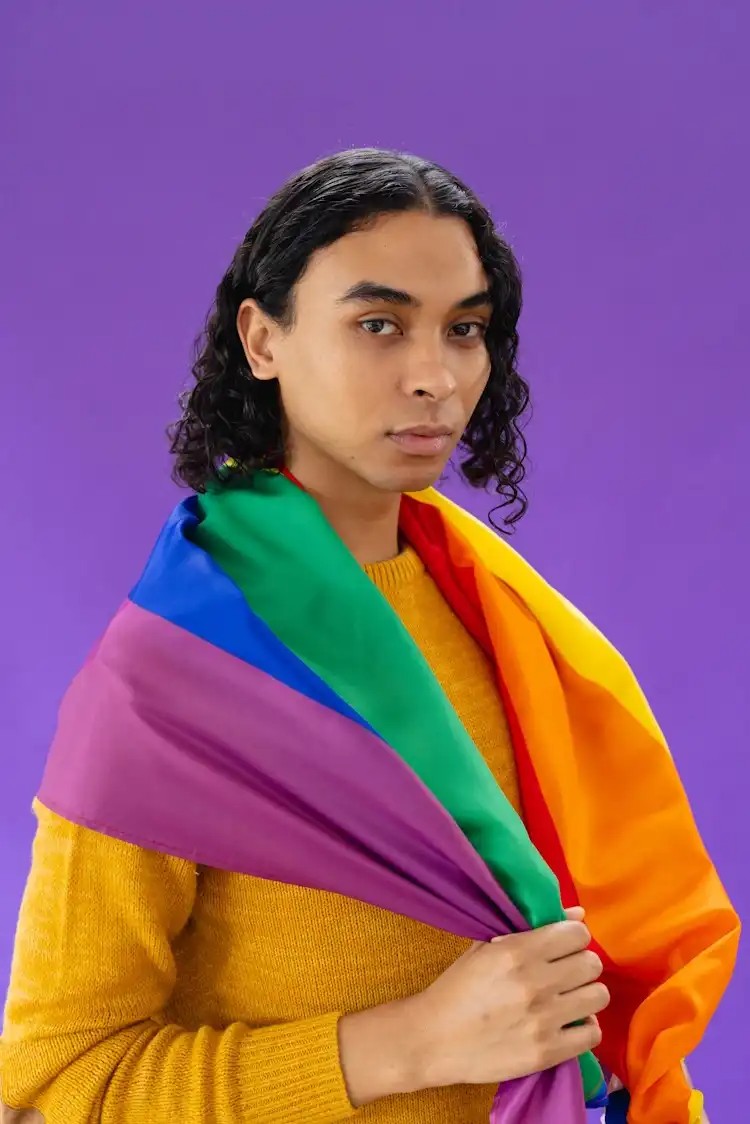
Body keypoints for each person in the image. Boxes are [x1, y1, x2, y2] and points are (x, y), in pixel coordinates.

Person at [0, 148, 738, 1124]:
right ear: (263, 340)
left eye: (464, 329)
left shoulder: (502, 616)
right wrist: (412, 1042)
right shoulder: (167, 680)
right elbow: (52, 1089)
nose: (434, 376)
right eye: (379, 324)